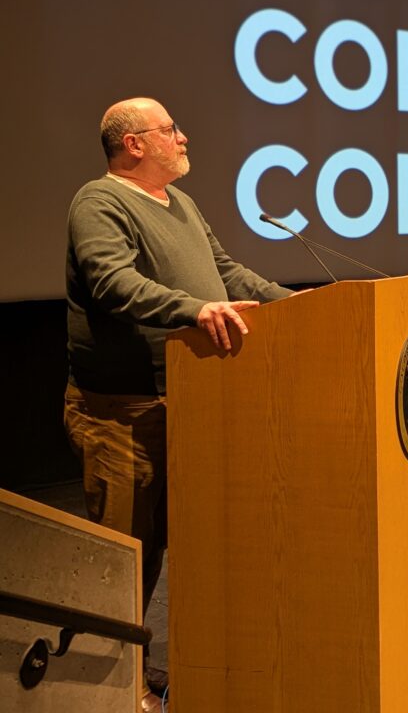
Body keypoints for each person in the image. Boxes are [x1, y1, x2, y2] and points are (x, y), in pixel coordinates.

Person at [64, 97, 294, 712]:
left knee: (165, 544)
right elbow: (112, 282)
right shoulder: (99, 201)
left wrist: (298, 304)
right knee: (123, 556)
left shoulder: (181, 203)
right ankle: (111, 691)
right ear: (134, 144)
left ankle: (134, 667)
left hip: (188, 402)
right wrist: (193, 310)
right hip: (121, 411)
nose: (183, 137)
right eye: (170, 129)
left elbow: (225, 272)